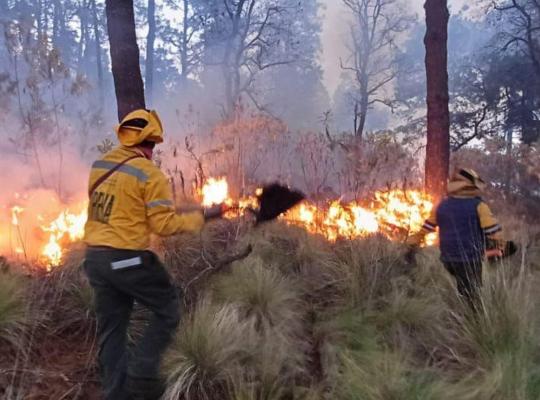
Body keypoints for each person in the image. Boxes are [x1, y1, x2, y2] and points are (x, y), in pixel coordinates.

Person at [83, 109, 225, 400]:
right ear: (145, 143)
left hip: (95, 260)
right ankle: (143, 373)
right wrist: (203, 218)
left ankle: (115, 394)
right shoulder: (149, 173)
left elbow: (118, 209)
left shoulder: (100, 165)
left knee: (113, 329)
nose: (152, 151)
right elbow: (163, 224)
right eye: (152, 145)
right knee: (168, 307)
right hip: (127, 259)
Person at [406, 168, 505, 308]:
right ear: (473, 186)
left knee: (461, 286)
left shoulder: (441, 206)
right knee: (472, 294)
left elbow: (425, 229)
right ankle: (473, 320)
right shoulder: (479, 206)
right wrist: (499, 248)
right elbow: (493, 232)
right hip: (470, 259)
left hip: (447, 259)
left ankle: (456, 308)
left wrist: (410, 243)